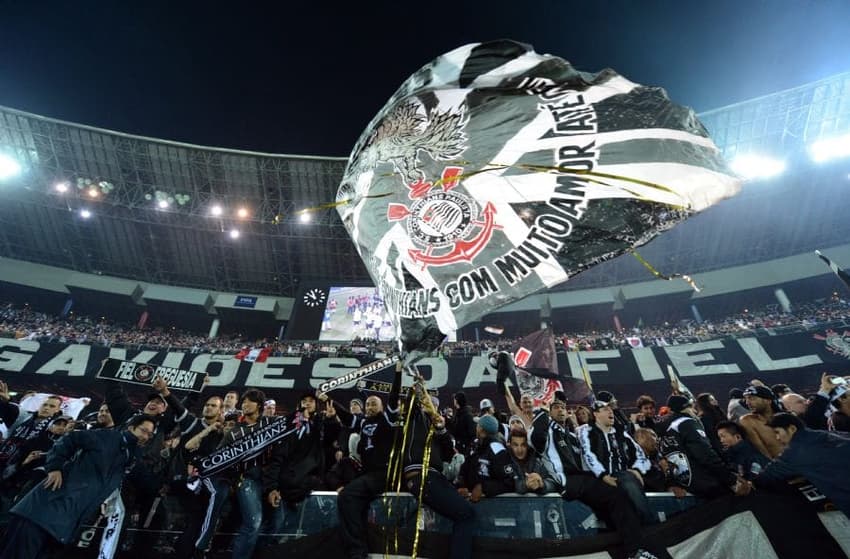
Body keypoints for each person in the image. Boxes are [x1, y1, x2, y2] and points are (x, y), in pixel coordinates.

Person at [0, 414, 156, 559]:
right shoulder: (107, 437)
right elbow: (70, 438)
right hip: (41, 514)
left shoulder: (128, 458)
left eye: (150, 435)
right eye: (144, 431)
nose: (145, 436)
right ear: (131, 427)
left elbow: (147, 484)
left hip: (62, 526)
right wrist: (55, 467)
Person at [323, 364, 400, 559]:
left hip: (382, 474)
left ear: (382, 406)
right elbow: (348, 418)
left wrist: (398, 372)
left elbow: (394, 396)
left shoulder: (388, 419)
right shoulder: (364, 422)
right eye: (368, 405)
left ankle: (357, 551)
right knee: (356, 506)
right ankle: (363, 546)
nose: (369, 407)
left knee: (347, 496)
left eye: (374, 404)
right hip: (367, 474)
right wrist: (329, 400)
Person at [751, 413, 850, 517]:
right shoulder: (830, 434)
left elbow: (765, 477)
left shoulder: (794, 453)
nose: (777, 438)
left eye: (777, 432)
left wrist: (750, 482)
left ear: (792, 429)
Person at [578, 401, 654, 525]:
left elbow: (639, 452)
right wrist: (603, 475)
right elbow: (588, 454)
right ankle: (649, 525)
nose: (610, 411)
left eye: (611, 409)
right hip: (597, 479)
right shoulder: (585, 430)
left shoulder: (620, 432)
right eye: (605, 409)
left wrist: (637, 469)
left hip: (621, 477)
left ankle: (646, 526)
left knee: (628, 480)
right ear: (596, 414)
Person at [659, 395, 743, 498]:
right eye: (692, 407)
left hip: (686, 487)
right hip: (707, 485)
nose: (695, 411)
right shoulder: (686, 422)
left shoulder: (662, 430)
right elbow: (705, 455)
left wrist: (671, 483)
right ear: (686, 407)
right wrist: (731, 479)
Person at [739, 385, 783, 458]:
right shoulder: (748, 421)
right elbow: (762, 452)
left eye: (752, 398)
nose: (747, 403)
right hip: (777, 467)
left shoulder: (786, 419)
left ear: (768, 401)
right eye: (746, 399)